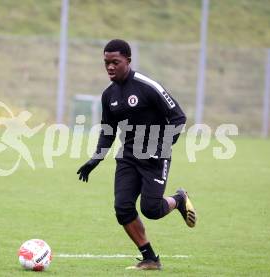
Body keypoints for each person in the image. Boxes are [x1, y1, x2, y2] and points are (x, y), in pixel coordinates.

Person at [77, 39, 196, 270]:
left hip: (156, 157)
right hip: (129, 157)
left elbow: (178, 118)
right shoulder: (108, 95)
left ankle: (179, 199)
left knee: (151, 209)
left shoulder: (147, 86)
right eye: (106, 62)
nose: (110, 67)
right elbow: (108, 131)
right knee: (123, 208)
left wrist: (161, 146)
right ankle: (150, 258)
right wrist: (96, 158)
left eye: (115, 62)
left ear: (128, 61)